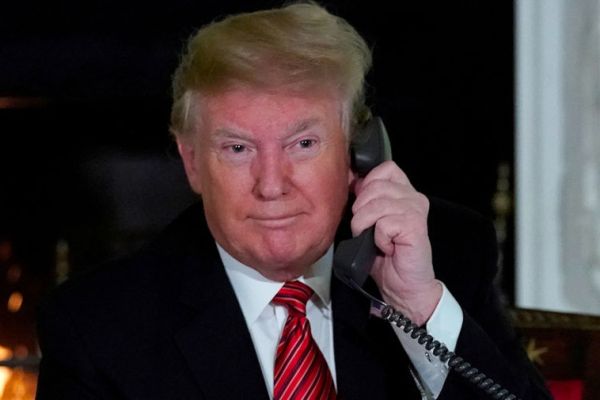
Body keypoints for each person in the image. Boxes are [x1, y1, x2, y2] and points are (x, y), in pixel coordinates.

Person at [36, 2, 551, 399]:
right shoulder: (97, 326)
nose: (271, 185)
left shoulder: (448, 256)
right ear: (192, 161)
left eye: (303, 144)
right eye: (238, 149)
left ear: (356, 153)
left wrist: (417, 307)